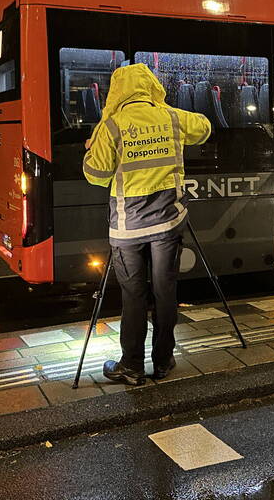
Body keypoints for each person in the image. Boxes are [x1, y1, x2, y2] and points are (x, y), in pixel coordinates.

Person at [83, 63, 211, 386]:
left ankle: (131, 366)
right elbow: (206, 127)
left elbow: (95, 175)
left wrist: (94, 144)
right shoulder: (170, 117)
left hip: (128, 229)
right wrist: (163, 110)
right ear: (151, 87)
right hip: (168, 224)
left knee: (134, 296)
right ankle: (165, 361)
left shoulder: (112, 126)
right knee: (166, 291)